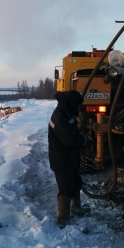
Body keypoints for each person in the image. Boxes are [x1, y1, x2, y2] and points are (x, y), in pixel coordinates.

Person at [48, 90, 90, 228]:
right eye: (76, 106)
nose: (77, 109)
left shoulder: (66, 113)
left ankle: (76, 207)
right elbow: (69, 139)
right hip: (61, 160)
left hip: (70, 158)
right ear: (70, 104)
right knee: (65, 188)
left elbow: (72, 131)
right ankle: (62, 217)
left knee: (76, 182)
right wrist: (83, 139)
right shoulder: (59, 118)